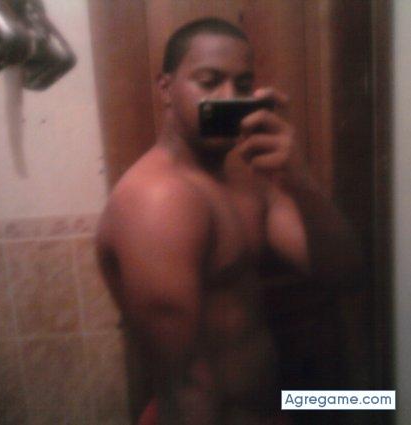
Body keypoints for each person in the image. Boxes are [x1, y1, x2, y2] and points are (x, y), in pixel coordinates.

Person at [97, 17, 360, 425]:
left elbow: (343, 271)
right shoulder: (157, 200)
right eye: (209, 81)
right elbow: (187, 382)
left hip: (274, 408)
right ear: (165, 88)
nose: (228, 98)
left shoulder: (249, 180)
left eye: (242, 85)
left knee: (378, 401)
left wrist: (299, 177)